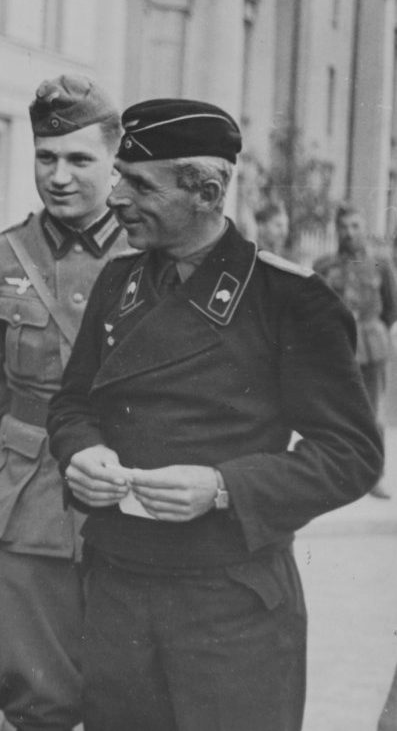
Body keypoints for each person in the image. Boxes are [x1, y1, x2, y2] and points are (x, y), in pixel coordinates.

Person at [49, 98, 383, 731]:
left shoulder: (291, 300)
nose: (114, 196)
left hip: (229, 604)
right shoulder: (118, 281)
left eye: (139, 184)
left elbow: (352, 455)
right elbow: (71, 403)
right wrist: (79, 451)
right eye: (119, 175)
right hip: (118, 589)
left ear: (205, 191)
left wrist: (225, 488)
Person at [0, 73, 126, 731]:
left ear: (115, 163)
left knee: (127, 678)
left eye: (79, 158)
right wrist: (32, 446)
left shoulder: (152, 257)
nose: (59, 175)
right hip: (30, 502)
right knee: (31, 687)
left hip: (125, 495)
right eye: (45, 156)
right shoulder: (0, 259)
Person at [314, 204, 395, 499]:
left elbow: (390, 307)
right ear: (337, 230)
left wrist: (375, 333)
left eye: (355, 226)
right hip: (336, 348)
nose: (349, 233)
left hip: (372, 348)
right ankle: (336, 476)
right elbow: (315, 307)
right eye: (344, 227)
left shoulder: (382, 265)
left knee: (372, 413)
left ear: (364, 228)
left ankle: (374, 476)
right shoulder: (324, 267)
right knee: (333, 411)